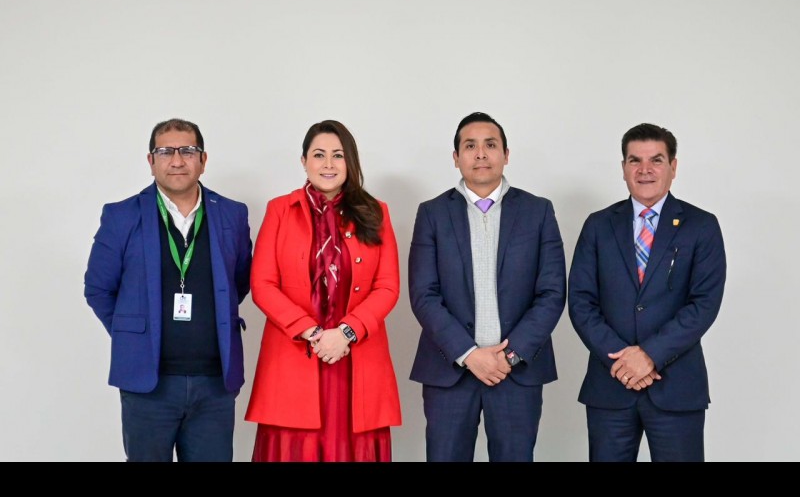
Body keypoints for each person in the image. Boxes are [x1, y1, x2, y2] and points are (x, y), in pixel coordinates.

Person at [84, 118, 253, 462]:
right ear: (151, 161)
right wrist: (134, 333)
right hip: (149, 385)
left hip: (215, 384)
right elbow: (98, 288)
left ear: (203, 160)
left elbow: (240, 280)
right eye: (165, 152)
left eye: (187, 151)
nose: (177, 160)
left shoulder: (232, 214)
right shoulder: (122, 216)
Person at [408, 112, 566, 462]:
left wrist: (508, 357)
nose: (481, 154)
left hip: (515, 372)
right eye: (470, 146)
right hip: (449, 370)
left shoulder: (538, 211)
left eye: (490, 145)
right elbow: (423, 294)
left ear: (506, 155)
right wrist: (469, 354)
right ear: (456, 157)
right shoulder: (432, 213)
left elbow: (552, 293)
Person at [568, 123, 726, 462]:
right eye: (634, 160)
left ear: (673, 166)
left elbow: (704, 304)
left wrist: (649, 355)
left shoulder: (701, 225)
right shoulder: (598, 225)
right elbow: (581, 301)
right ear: (623, 168)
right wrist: (622, 361)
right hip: (611, 385)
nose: (645, 170)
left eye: (656, 160)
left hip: (676, 387)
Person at [245, 120, 402, 462]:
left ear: (351, 162)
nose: (328, 164)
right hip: (295, 355)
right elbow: (263, 284)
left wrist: (345, 333)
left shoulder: (376, 212)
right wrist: (313, 333)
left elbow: (388, 286)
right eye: (319, 155)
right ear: (304, 161)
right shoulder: (279, 210)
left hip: (356, 358)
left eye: (338, 155)